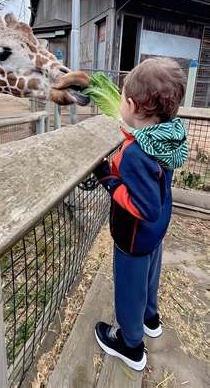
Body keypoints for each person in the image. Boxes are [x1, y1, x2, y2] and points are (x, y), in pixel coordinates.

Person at [93, 57, 188, 371]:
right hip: (157, 231)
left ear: (132, 105)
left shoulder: (137, 152)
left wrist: (109, 180)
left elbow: (143, 207)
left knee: (130, 287)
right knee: (151, 274)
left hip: (134, 237)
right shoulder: (171, 134)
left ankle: (131, 344)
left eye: (121, 98)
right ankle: (151, 319)